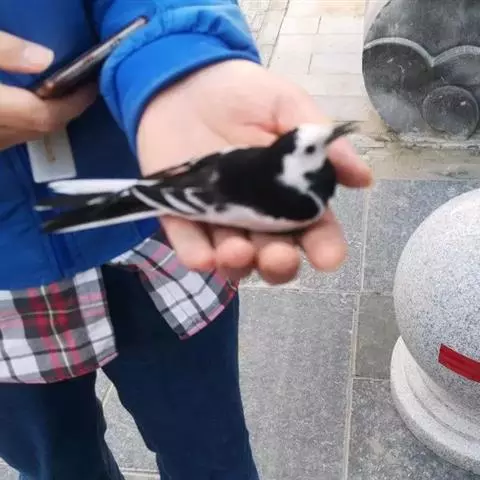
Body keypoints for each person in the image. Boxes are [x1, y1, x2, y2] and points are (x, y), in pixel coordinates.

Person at [0, 2, 372, 479]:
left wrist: (181, 55)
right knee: (57, 464)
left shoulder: (290, 191)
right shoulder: (289, 191)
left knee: (211, 453)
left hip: (156, 244)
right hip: (13, 292)